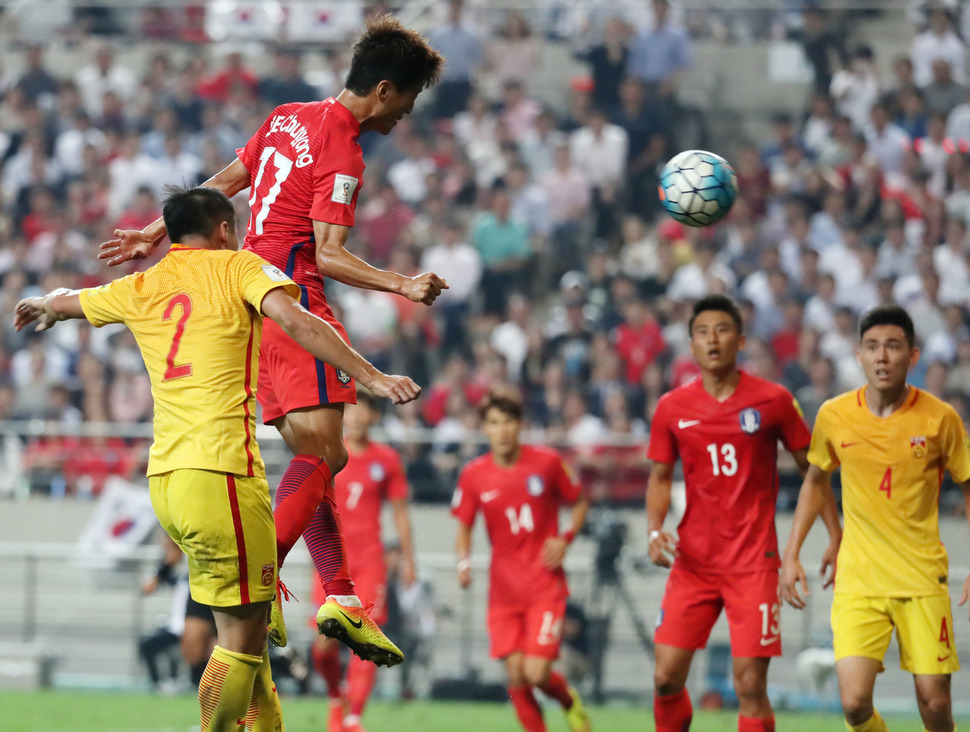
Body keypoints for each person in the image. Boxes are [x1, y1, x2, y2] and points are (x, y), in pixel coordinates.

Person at [98, 16, 445, 665]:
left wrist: (155, 230)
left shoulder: (289, 116)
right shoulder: (344, 143)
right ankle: (259, 585)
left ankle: (339, 595)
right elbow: (330, 253)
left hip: (253, 298)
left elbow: (225, 181)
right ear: (385, 90)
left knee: (315, 456)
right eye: (409, 101)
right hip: (291, 297)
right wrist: (403, 284)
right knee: (327, 458)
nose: (406, 116)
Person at [14, 186, 420, 731]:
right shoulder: (238, 269)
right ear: (224, 230)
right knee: (239, 643)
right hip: (221, 473)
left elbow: (71, 300)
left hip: (168, 482)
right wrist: (370, 376)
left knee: (249, 633)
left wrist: (44, 303)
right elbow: (298, 322)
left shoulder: (143, 283)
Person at [646, 294, 841, 732]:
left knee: (750, 685)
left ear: (740, 340)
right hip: (693, 564)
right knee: (664, 678)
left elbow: (814, 471)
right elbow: (659, 478)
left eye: (721, 330)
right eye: (702, 332)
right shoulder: (671, 408)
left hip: (752, 564)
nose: (712, 340)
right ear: (691, 344)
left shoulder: (773, 400)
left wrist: (835, 533)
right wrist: (653, 530)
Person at [781, 305, 970, 732]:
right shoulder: (834, 414)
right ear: (859, 355)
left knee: (935, 704)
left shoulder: (941, 418)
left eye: (892, 346)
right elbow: (815, 481)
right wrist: (792, 554)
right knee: (853, 704)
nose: (882, 356)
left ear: (913, 356)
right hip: (859, 580)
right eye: (872, 347)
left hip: (921, 579)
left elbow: (968, 484)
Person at [451, 386, 592, 732]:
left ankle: (569, 701)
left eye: (507, 422)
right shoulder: (473, 474)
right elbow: (464, 527)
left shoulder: (546, 462)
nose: (501, 430)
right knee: (516, 676)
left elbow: (580, 501)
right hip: (503, 593)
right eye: (494, 422)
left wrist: (566, 538)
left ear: (520, 425)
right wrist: (463, 564)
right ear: (484, 428)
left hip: (545, 585)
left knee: (536, 672)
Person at [310, 391, 417, 732]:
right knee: (323, 643)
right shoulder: (326, 454)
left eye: (363, 411)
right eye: (349, 411)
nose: (355, 418)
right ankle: (334, 694)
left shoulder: (386, 460)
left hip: (370, 561)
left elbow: (401, 513)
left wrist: (409, 559)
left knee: (366, 636)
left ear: (373, 416)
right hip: (331, 559)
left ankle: (354, 717)